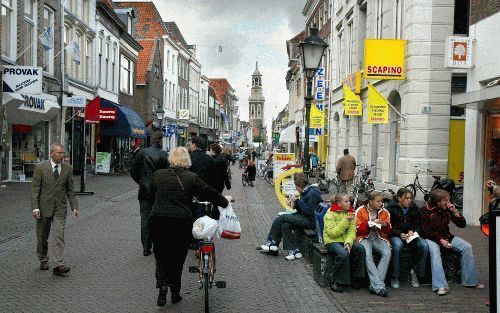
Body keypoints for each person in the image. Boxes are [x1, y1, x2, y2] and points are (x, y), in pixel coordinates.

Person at [149, 147, 230, 306]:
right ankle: (175, 292)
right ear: (187, 159)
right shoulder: (191, 177)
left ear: (170, 158)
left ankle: (162, 288)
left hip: (158, 220)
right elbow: (209, 193)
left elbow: (150, 195)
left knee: (161, 255)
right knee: (177, 257)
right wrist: (225, 201)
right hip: (180, 222)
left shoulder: (158, 175)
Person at [420, 189, 484, 296]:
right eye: (445, 200)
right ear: (438, 201)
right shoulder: (425, 210)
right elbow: (426, 231)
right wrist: (440, 240)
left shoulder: (447, 208)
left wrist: (455, 212)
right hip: (431, 238)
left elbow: (462, 224)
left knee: (467, 247)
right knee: (435, 252)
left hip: (447, 237)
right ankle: (440, 285)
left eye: (448, 199)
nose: (448, 202)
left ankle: (470, 281)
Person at [31, 143, 79, 275]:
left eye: (63, 153)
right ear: (51, 153)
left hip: (60, 208)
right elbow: (35, 190)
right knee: (42, 236)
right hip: (43, 207)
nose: (61, 155)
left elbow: (70, 190)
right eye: (59, 153)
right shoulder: (40, 167)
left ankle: (58, 264)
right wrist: (35, 208)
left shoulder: (67, 168)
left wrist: (74, 207)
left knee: (59, 235)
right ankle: (43, 259)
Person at [260, 172, 322, 260]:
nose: (296, 189)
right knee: (285, 225)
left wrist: (297, 202)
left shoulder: (313, 193)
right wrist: (293, 204)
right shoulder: (306, 191)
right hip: (304, 217)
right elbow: (303, 208)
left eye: (296, 187)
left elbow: (309, 211)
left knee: (281, 218)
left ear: (299, 186)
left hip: (310, 221)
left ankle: (271, 242)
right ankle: (294, 250)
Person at [130, 131, 169, 256]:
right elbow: (167, 174)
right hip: (159, 191)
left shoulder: (142, 153)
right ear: (161, 141)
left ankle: (146, 247)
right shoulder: (164, 155)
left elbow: (133, 171)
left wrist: (142, 182)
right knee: (159, 218)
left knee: (145, 218)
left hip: (145, 191)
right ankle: (158, 244)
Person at [386, 188, 429, 289]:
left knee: (424, 245)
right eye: (407, 198)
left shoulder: (414, 208)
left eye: (411, 198)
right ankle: (395, 276)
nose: (409, 200)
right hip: (396, 235)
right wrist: (399, 233)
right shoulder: (391, 209)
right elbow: (388, 227)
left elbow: (418, 224)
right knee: (397, 246)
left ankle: (416, 273)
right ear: (399, 198)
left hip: (411, 235)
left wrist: (414, 232)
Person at [324, 193, 366, 292]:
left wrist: (348, 242)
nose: (349, 203)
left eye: (349, 201)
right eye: (346, 201)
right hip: (332, 241)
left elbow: (352, 231)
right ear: (339, 203)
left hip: (345, 240)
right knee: (343, 254)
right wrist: (346, 221)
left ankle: (355, 278)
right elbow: (332, 233)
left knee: (360, 249)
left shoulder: (350, 213)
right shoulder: (329, 214)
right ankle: (336, 280)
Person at [355, 191, 391, 297]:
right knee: (367, 255)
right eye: (378, 201)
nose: (381, 204)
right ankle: (379, 287)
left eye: (382, 201)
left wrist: (384, 224)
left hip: (378, 236)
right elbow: (356, 229)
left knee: (387, 252)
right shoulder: (360, 211)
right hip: (364, 237)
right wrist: (368, 225)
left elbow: (388, 231)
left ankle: (374, 285)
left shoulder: (385, 212)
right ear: (370, 201)